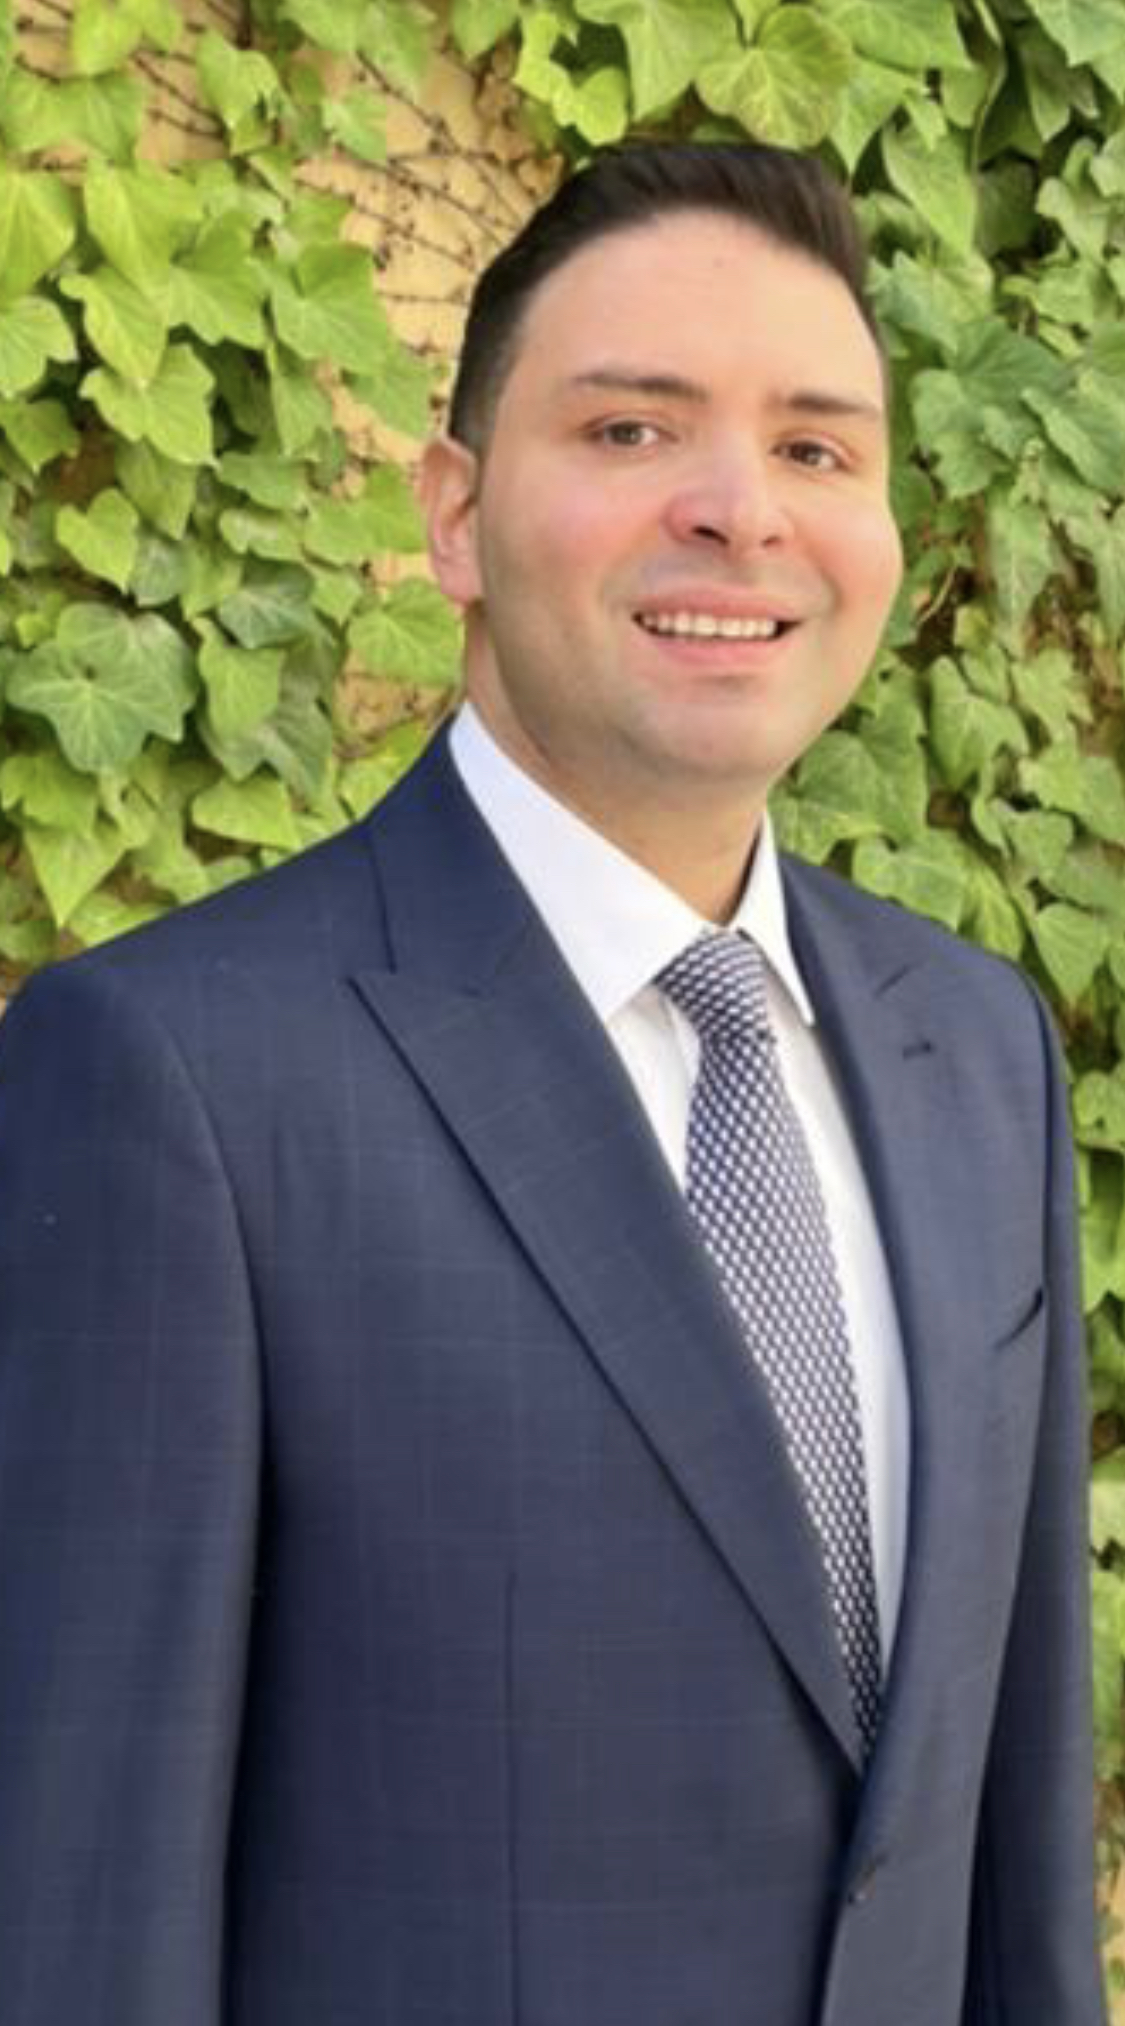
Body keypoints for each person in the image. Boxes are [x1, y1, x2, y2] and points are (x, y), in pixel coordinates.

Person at [0, 141, 1107, 2026]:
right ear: (453, 516)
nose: (738, 511)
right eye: (628, 429)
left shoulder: (977, 1048)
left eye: (816, 447)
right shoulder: (173, 1079)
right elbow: (84, 1915)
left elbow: (1004, 1857)